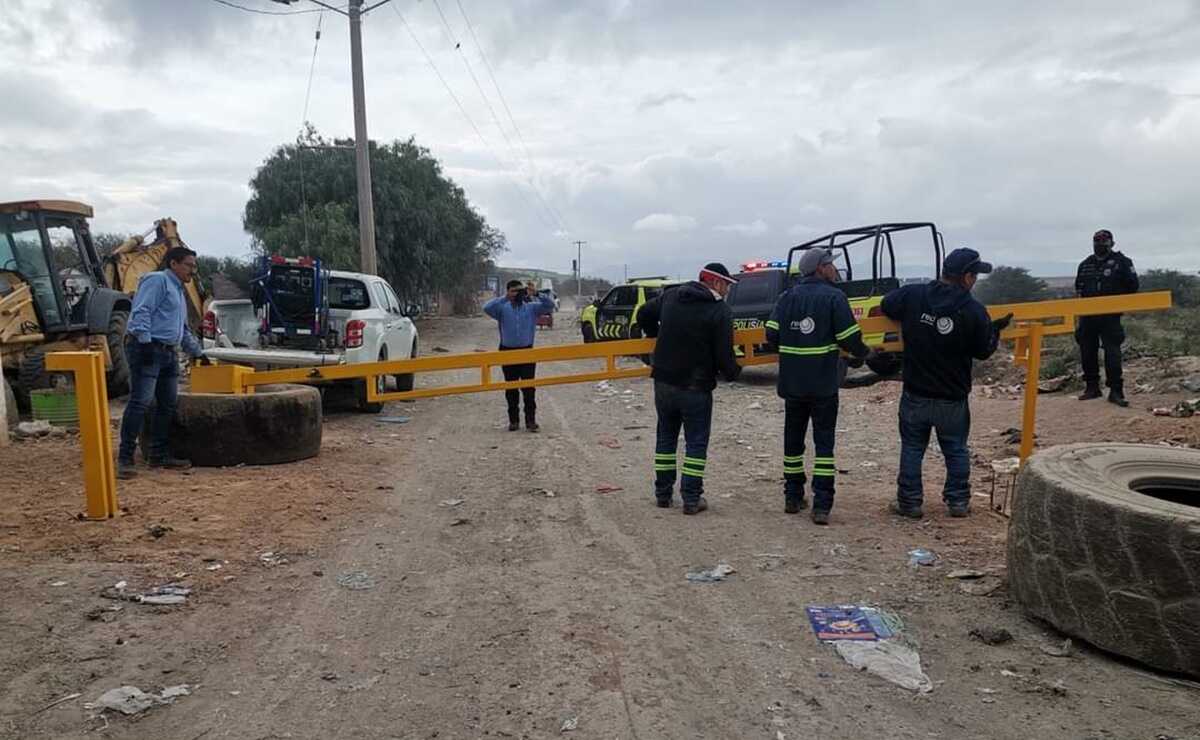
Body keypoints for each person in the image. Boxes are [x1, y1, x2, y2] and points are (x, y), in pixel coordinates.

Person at [880, 247, 1012, 519]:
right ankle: (958, 503)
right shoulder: (974, 310)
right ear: (965, 277)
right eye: (974, 274)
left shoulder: (914, 295)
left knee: (912, 448)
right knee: (956, 449)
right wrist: (994, 330)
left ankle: (910, 503)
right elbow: (983, 351)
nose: (975, 280)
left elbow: (887, 305)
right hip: (952, 396)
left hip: (916, 391)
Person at [765, 248, 870, 525]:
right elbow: (850, 338)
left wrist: (794, 345)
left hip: (793, 385)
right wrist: (865, 354)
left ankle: (793, 496)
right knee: (823, 445)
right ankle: (821, 506)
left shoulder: (786, 299)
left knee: (793, 443)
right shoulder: (835, 297)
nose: (834, 270)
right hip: (823, 385)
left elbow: (771, 335)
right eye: (831, 265)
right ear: (820, 269)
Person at [637, 263, 741, 514]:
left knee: (666, 438)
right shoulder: (719, 310)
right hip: (695, 385)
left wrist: (656, 338)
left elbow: (643, 314)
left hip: (663, 381)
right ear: (716, 283)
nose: (727, 290)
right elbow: (723, 353)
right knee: (695, 443)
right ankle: (692, 499)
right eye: (726, 285)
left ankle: (663, 494)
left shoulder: (672, 296)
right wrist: (733, 372)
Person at [117, 246, 206, 479]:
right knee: (141, 401)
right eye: (189, 265)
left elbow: (182, 330)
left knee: (167, 403)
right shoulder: (157, 281)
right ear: (174, 263)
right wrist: (145, 342)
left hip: (167, 351)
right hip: (148, 348)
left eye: (194, 266)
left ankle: (158, 455)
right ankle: (125, 458)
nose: (192, 271)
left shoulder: (178, 291)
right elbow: (141, 311)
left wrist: (198, 353)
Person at [1075, 229, 1138, 407]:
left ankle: (1116, 391)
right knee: (1087, 352)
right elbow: (1079, 289)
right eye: (1096, 241)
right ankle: (1092, 388)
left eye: (1104, 241)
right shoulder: (1085, 264)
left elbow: (1133, 286)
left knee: (1112, 353)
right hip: (1087, 316)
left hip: (1111, 317)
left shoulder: (1122, 262)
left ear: (1112, 243)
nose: (1099, 244)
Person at [483, 280, 555, 431]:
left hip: (527, 351)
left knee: (528, 388)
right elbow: (486, 308)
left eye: (519, 291)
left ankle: (530, 421)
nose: (518, 294)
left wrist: (535, 293)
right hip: (507, 351)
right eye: (514, 291)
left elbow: (550, 305)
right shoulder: (502, 309)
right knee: (511, 388)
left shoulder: (531, 308)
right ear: (508, 291)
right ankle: (513, 421)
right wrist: (506, 297)